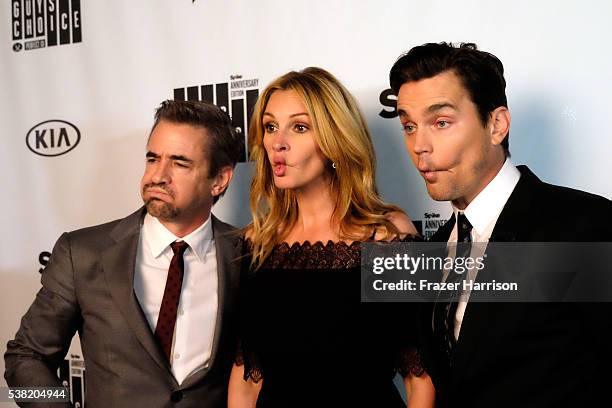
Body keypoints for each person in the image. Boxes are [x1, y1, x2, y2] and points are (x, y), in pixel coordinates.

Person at [389, 42, 612, 407]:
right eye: (409, 126)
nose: (419, 145)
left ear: (497, 125)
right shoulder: (433, 249)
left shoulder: (585, 225)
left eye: (441, 122)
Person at [4, 100, 244, 407]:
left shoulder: (246, 255)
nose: (158, 175)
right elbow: (24, 357)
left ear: (220, 179)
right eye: (153, 159)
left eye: (180, 163)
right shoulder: (83, 253)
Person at [227, 67, 435, 407]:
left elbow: (420, 378)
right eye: (270, 126)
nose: (278, 143)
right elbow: (247, 379)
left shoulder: (387, 234)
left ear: (334, 139)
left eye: (299, 127)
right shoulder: (258, 242)